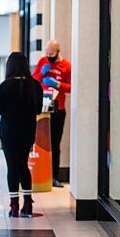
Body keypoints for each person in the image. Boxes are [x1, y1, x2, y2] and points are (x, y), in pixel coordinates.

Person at [0, 52, 43, 217]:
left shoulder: (5, 86)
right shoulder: (35, 86)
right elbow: (37, 110)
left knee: (12, 167)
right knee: (23, 165)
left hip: (9, 132)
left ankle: (14, 205)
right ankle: (28, 203)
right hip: (28, 132)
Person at [33, 40, 71, 188]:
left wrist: (58, 85)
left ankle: (54, 176)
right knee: (40, 143)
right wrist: (41, 75)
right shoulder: (42, 61)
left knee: (55, 144)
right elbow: (34, 79)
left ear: (58, 52)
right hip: (42, 108)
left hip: (58, 109)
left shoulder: (66, 66)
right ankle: (40, 173)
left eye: (51, 54)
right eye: (47, 53)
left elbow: (71, 87)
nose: (49, 56)